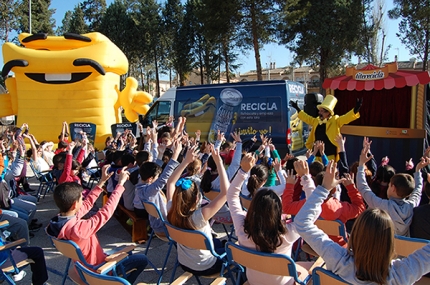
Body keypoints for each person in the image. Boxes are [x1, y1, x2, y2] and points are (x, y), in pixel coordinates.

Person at [295, 160, 430, 285]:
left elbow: (302, 223)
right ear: (390, 241)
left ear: (356, 233)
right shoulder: (401, 273)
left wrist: (323, 188)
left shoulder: (339, 259)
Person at [47, 165, 147, 284]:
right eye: (81, 199)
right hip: (99, 271)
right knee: (142, 259)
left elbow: (87, 204)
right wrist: (120, 185)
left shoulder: (61, 222)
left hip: (81, 269)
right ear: (75, 204)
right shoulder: (80, 229)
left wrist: (102, 182)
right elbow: (107, 211)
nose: (83, 201)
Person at [228, 153, 310, 284]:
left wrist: (243, 171)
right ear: (278, 212)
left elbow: (232, 196)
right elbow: (312, 210)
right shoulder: (288, 234)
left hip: (254, 282)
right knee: (314, 268)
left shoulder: (242, 229)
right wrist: (306, 177)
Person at [166, 144, 227, 276]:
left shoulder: (170, 209)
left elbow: (170, 183)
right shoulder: (200, 215)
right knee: (234, 250)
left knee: (220, 243)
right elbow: (225, 193)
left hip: (184, 262)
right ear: (196, 199)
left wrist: (185, 162)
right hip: (207, 266)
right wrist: (219, 163)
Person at [357, 140, 429, 236]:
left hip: (385, 247)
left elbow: (363, 188)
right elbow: (418, 190)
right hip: (404, 248)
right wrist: (418, 170)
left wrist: (361, 165)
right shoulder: (411, 205)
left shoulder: (383, 205)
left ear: (393, 188)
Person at [290, 95, 362, 161]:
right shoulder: (316, 121)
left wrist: (355, 110)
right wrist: (298, 109)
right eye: (319, 111)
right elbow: (307, 118)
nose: (319, 113)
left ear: (328, 113)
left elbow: (346, 118)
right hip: (316, 153)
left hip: (329, 154)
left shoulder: (335, 120)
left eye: (322, 111)